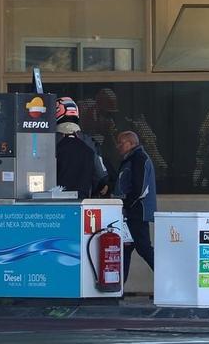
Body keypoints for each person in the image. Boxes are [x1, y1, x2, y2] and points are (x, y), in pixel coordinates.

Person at [115, 130, 156, 281]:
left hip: (137, 213)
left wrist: (125, 203)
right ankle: (119, 288)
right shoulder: (130, 159)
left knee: (144, 248)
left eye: (121, 143)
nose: (118, 146)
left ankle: (167, 281)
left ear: (131, 143)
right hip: (129, 213)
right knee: (125, 249)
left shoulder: (139, 159)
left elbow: (140, 188)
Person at [54, 97, 109, 199]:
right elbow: (101, 179)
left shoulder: (47, 141)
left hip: (52, 206)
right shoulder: (89, 143)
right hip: (82, 204)